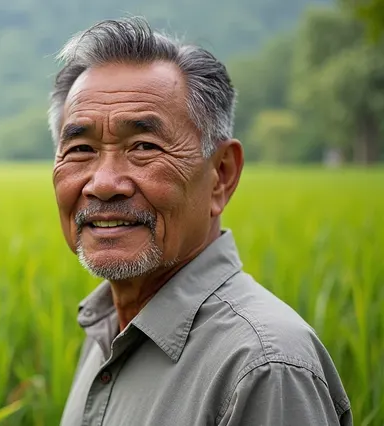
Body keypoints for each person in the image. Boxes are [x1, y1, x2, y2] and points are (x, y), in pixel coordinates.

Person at [49, 16, 352, 426]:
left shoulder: (265, 367)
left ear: (221, 175)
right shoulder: (109, 332)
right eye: (81, 148)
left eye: (143, 146)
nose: (103, 184)